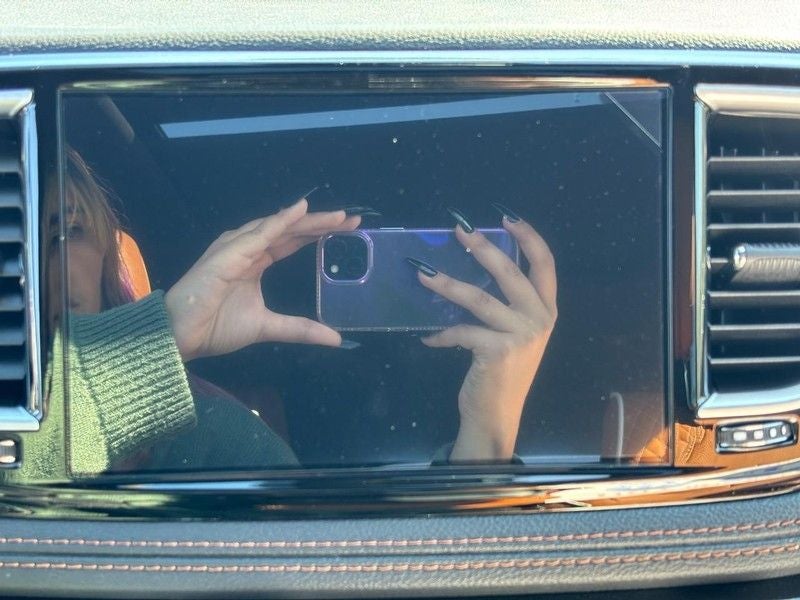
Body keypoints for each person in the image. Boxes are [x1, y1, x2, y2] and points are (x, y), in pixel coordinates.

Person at [13, 148, 557, 481]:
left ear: (110, 256)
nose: (29, 267)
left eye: (66, 232)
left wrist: (488, 435)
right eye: (8, 234)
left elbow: (325, 577)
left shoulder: (214, 438)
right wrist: (162, 339)